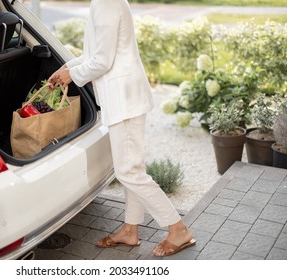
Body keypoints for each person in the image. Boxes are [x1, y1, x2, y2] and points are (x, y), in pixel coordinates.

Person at [48, 0, 195, 257]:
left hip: (124, 98)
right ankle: (129, 230)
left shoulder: (106, 3)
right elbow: (98, 53)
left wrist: (72, 75)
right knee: (132, 168)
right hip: (125, 96)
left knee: (127, 171)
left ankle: (178, 228)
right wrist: (67, 67)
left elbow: (102, 61)